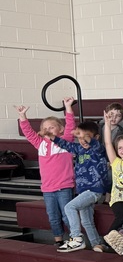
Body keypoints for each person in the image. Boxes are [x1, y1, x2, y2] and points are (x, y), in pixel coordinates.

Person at [17, 98, 75, 246]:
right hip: (48, 189)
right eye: (46, 128)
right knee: (53, 216)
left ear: (60, 130)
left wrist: (68, 107)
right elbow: (29, 133)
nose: (48, 130)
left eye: (52, 127)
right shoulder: (40, 144)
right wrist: (23, 117)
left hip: (64, 187)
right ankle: (58, 240)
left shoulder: (64, 143)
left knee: (67, 216)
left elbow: (70, 126)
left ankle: (75, 238)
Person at [52, 121, 111, 253]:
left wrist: (84, 137)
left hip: (94, 190)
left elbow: (94, 144)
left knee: (69, 207)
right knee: (86, 221)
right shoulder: (78, 149)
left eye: (86, 137)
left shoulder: (98, 149)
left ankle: (76, 238)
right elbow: (64, 144)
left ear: (95, 137)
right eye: (79, 137)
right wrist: (51, 136)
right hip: (83, 191)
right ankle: (97, 244)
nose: (82, 140)